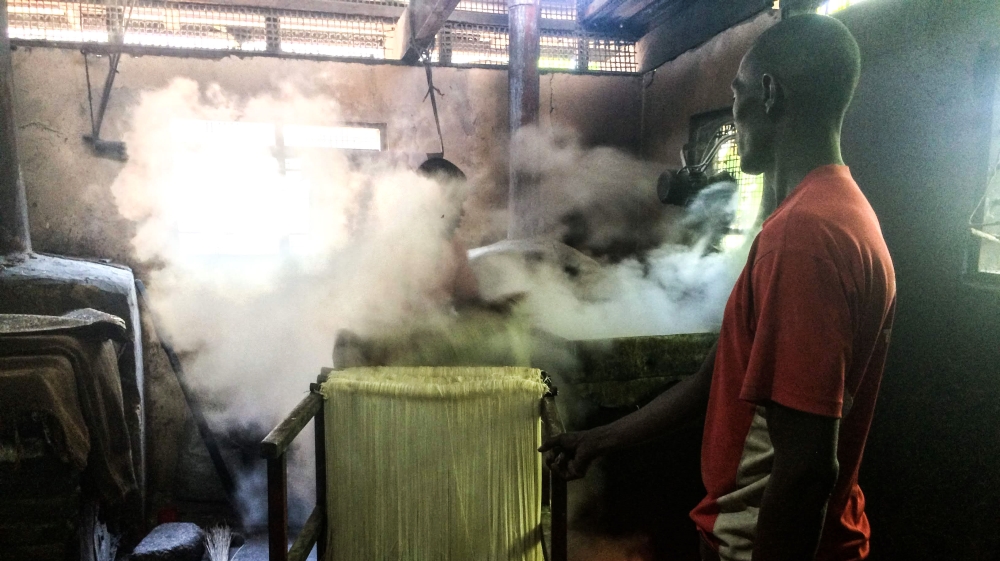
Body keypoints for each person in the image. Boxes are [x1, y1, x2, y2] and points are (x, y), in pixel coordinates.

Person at [540, 14, 896, 561]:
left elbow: (806, 469)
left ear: (769, 93)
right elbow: (712, 379)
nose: (733, 113)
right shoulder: (837, 212)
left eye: (737, 93)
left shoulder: (805, 236)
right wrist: (599, 440)